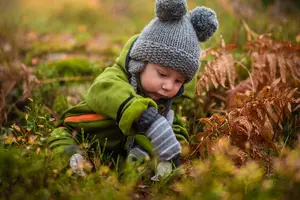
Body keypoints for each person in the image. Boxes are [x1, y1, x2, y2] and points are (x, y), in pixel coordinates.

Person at [47, 0, 218, 178]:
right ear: (140, 64)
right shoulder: (116, 78)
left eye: (178, 81)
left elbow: (174, 128)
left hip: (115, 154)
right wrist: (144, 116)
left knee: (150, 155)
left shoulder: (165, 105)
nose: (168, 86)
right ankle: (73, 159)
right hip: (81, 132)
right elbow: (103, 90)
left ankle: (138, 168)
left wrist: (174, 152)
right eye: (162, 74)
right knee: (62, 139)